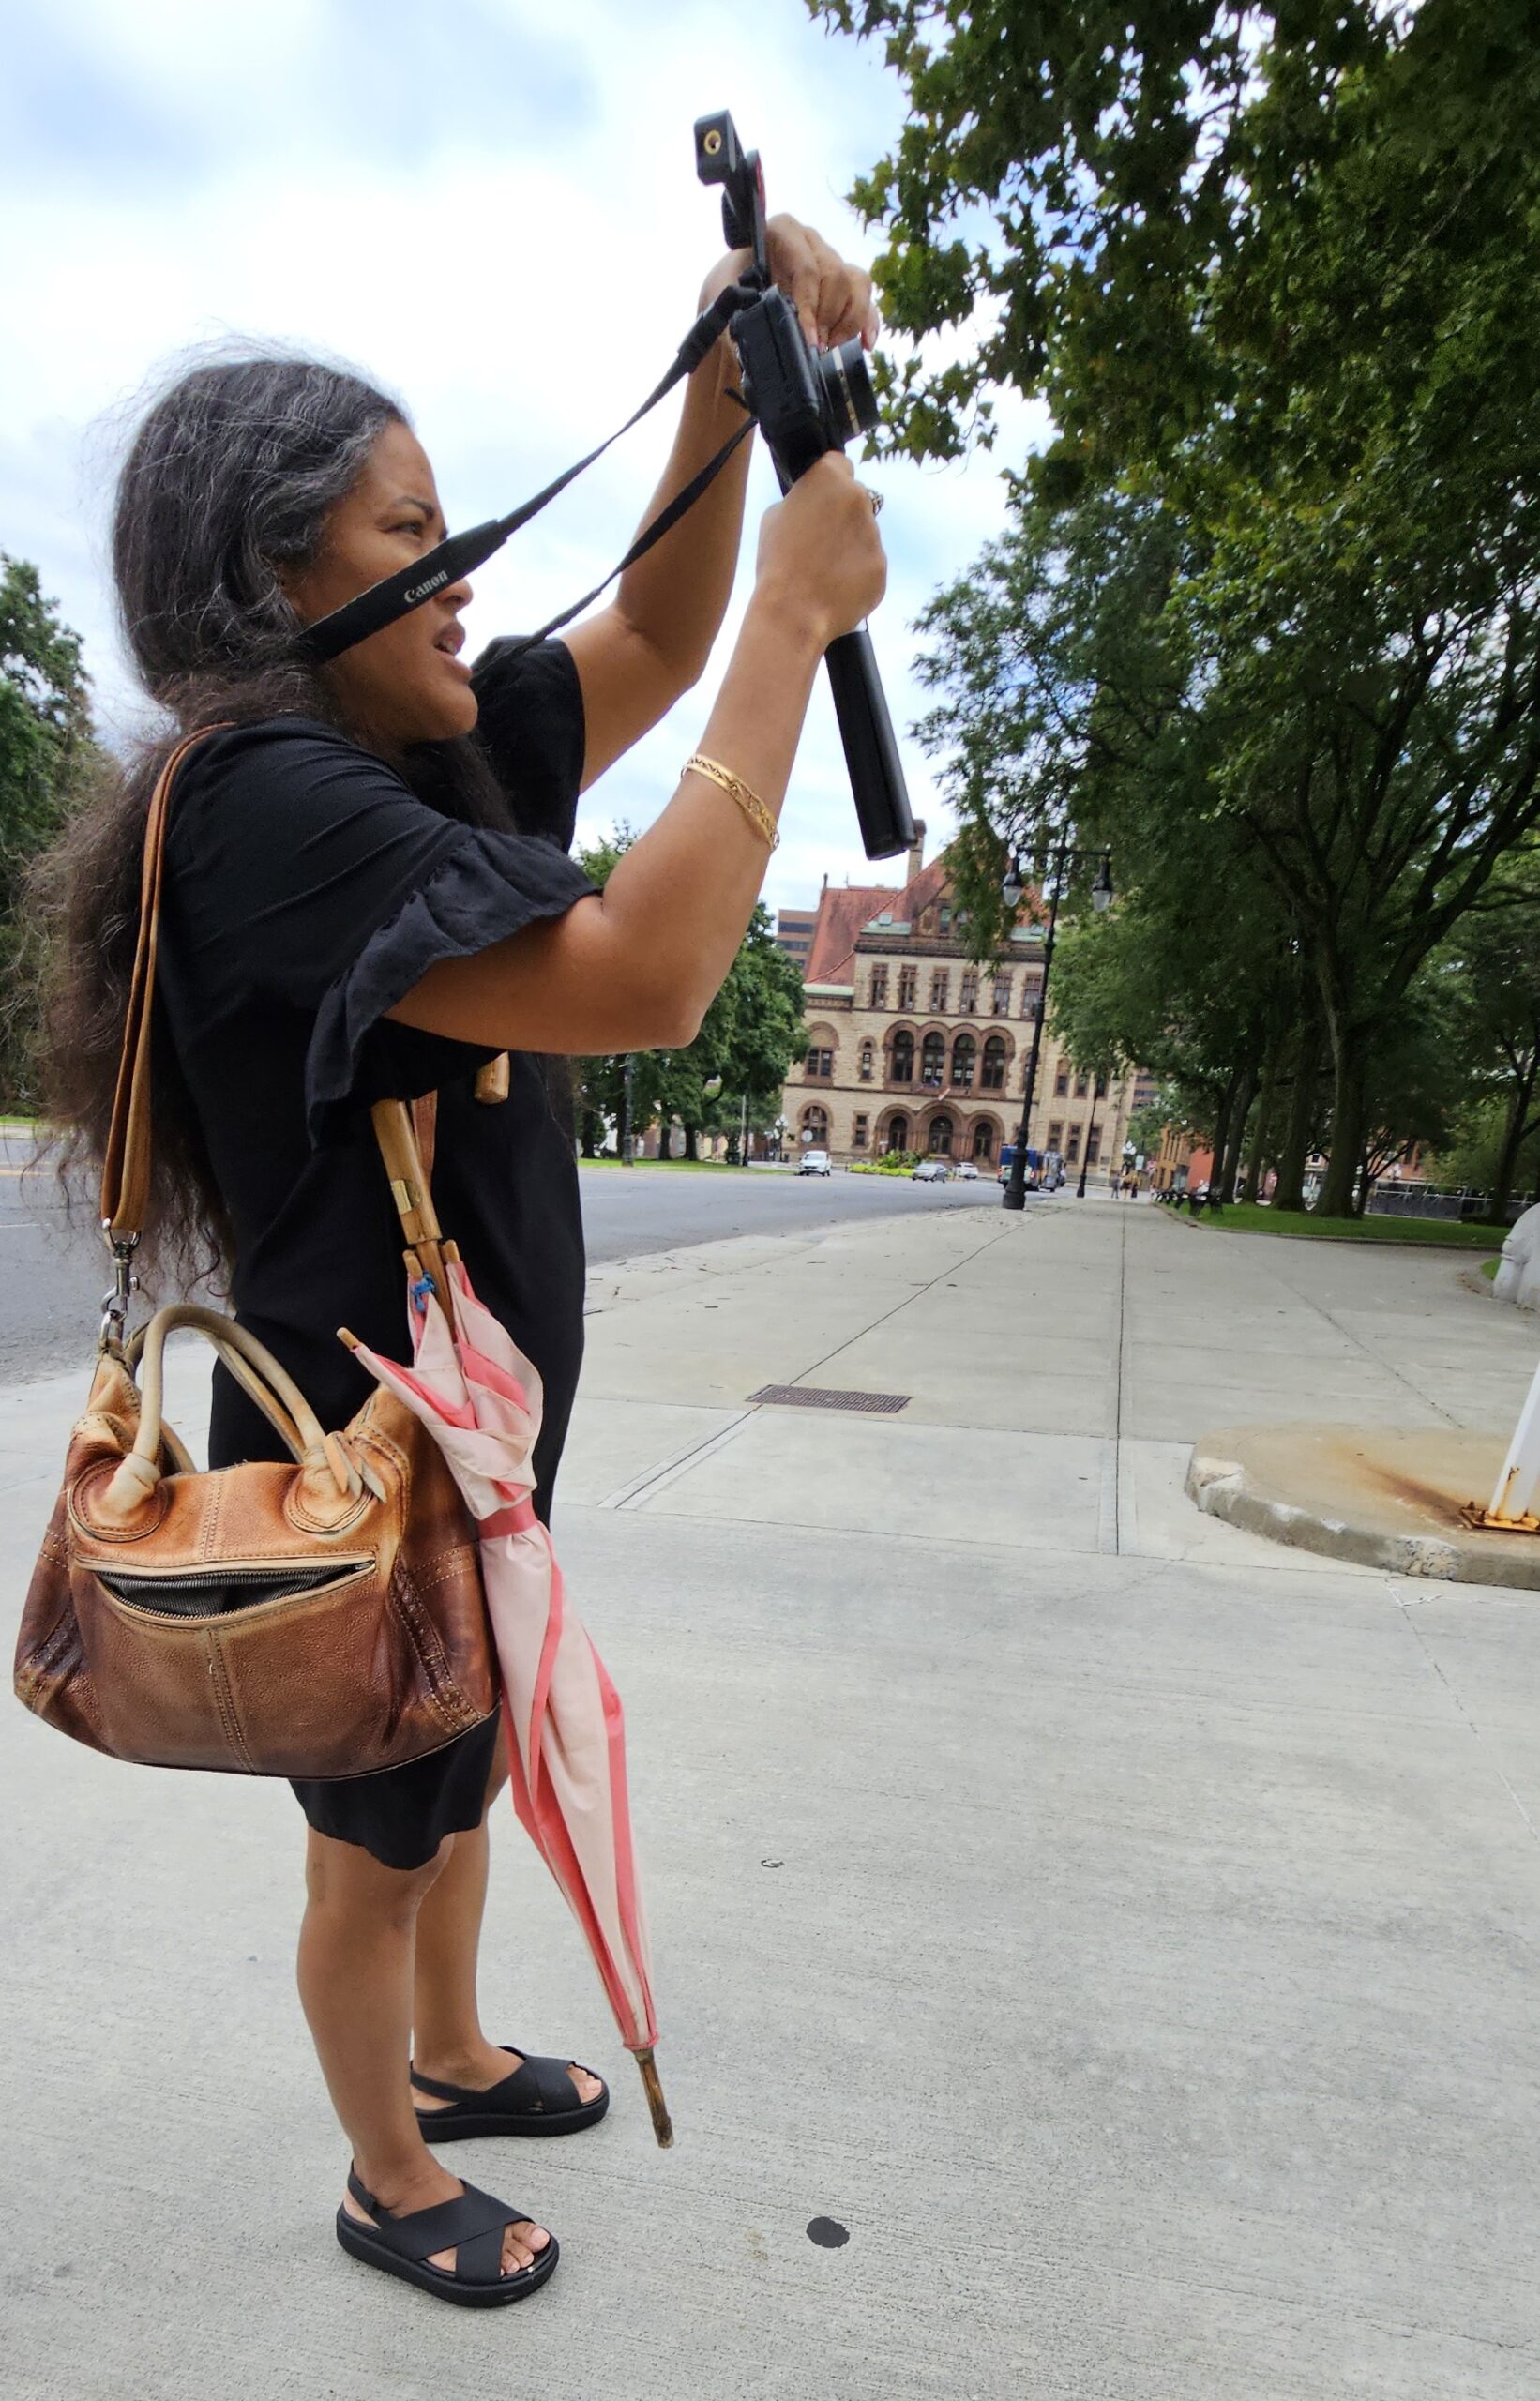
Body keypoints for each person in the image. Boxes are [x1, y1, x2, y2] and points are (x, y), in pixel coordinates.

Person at [34, 217, 884, 2306]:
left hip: (468, 1429)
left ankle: (455, 2044)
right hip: (362, 1452)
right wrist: (798, 616)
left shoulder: (415, 755)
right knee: (370, 1822)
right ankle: (385, 2165)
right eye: (412, 528)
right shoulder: (266, 805)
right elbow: (658, 969)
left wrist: (719, 374)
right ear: (275, 580)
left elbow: (655, 642)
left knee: (455, 1757)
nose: (464, 564)